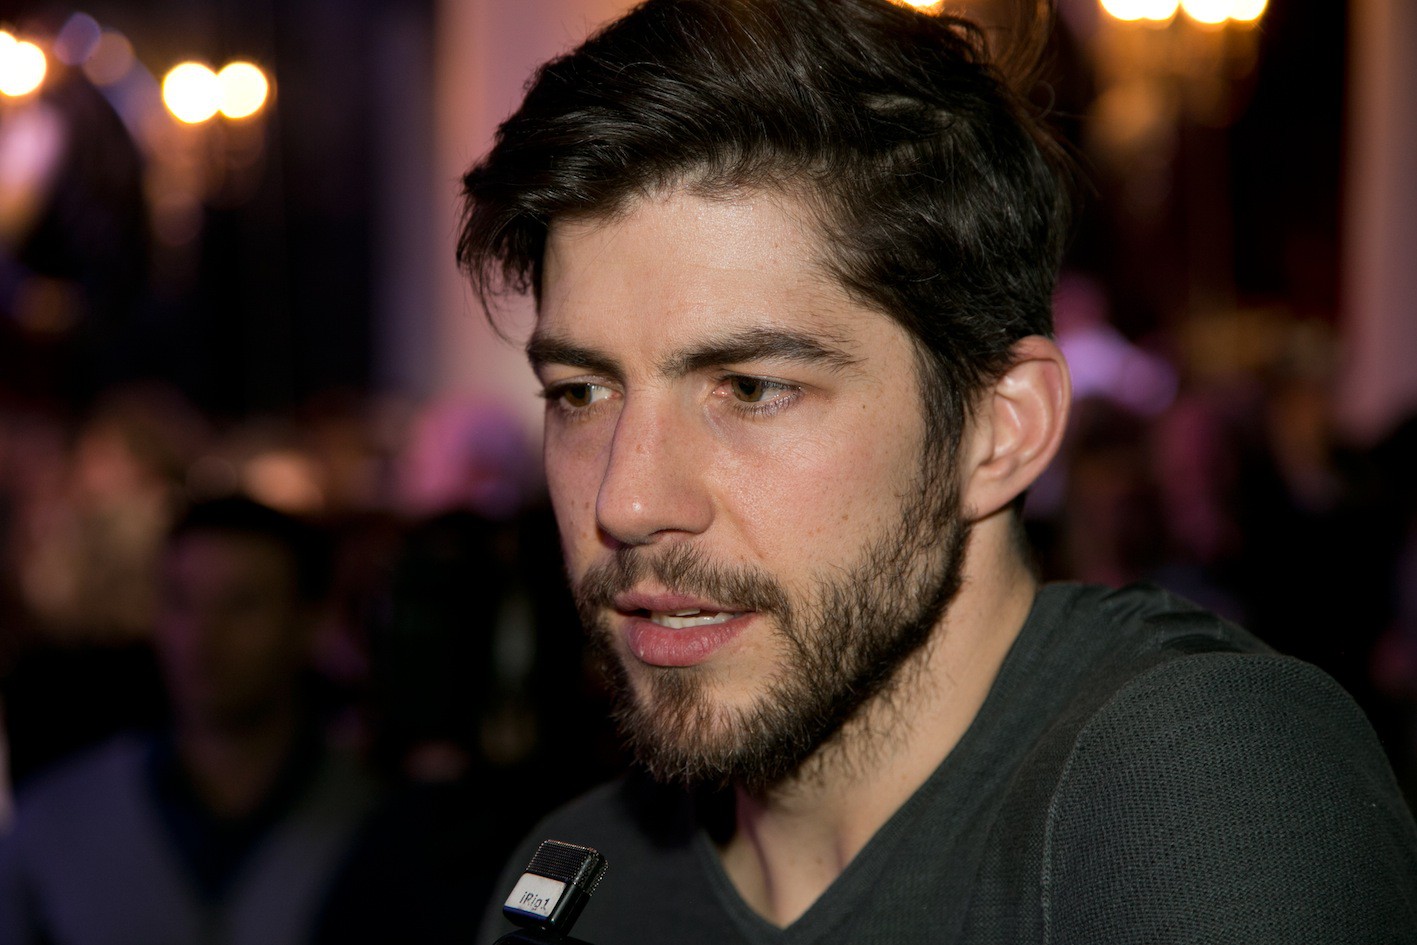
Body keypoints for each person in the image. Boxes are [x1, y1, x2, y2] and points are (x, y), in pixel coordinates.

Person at [458, 1, 1417, 942]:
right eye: (581, 392)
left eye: (750, 388)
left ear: (1000, 430)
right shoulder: (580, 877)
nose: (625, 499)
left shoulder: (1194, 779)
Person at [0, 496, 381, 945]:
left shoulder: (374, 818)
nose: (201, 638)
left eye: (242, 605)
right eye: (180, 602)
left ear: (309, 622)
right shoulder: (59, 818)